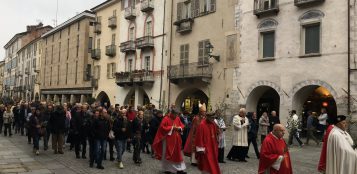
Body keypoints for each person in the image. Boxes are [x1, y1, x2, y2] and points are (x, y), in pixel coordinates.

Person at [152, 108, 187, 174]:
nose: (176, 116)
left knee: (178, 154)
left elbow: (181, 125)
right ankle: (168, 169)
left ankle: (179, 169)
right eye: (175, 114)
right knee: (168, 154)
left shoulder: (177, 118)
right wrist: (172, 128)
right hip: (168, 140)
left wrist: (180, 128)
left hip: (176, 139)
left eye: (177, 115)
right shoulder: (166, 118)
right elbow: (162, 127)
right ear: (172, 113)